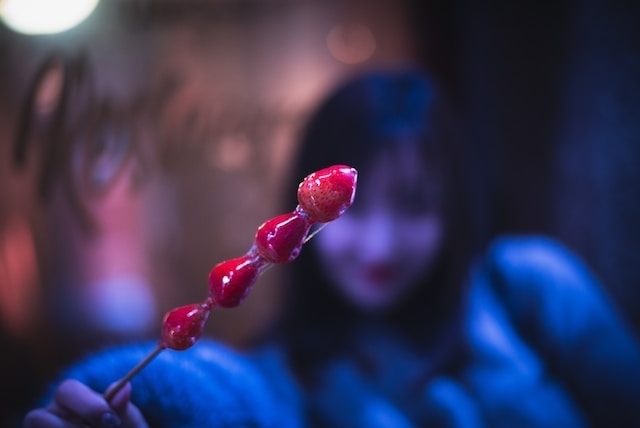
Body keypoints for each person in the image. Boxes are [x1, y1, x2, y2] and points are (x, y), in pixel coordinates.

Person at [23, 70, 640, 428]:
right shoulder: (288, 376)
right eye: (356, 210)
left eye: (415, 205)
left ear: (453, 210)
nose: (380, 244)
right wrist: (109, 389)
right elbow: (216, 394)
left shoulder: (532, 287)